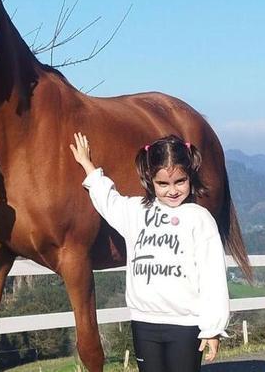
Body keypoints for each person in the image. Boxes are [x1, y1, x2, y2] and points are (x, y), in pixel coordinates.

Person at [69, 133, 229, 372]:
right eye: (163, 184)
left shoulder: (199, 219)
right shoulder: (135, 212)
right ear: (149, 180)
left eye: (180, 181)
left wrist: (212, 328)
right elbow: (107, 199)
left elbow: (213, 275)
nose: (172, 191)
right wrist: (87, 164)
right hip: (144, 323)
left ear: (190, 177)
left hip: (185, 325)